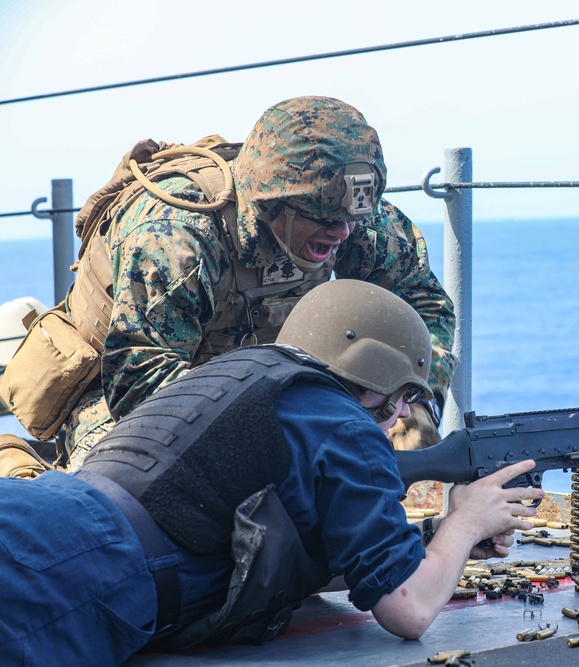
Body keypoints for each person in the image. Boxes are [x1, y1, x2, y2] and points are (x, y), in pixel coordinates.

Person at [0, 279, 540, 665]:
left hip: (41, 510)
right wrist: (466, 522)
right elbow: (409, 611)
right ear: (373, 371)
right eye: (403, 396)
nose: (401, 415)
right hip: (78, 575)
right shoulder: (345, 424)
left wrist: (431, 541)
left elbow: (268, 550)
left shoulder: (243, 373)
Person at [0, 96, 454, 474]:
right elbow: (140, 380)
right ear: (273, 203)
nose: (343, 234)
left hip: (267, 381)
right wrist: (293, 436)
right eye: (324, 220)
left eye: (352, 220)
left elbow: (423, 304)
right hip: (129, 389)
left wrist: (410, 398)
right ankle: (18, 472)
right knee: (123, 507)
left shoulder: (343, 210)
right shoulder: (176, 236)